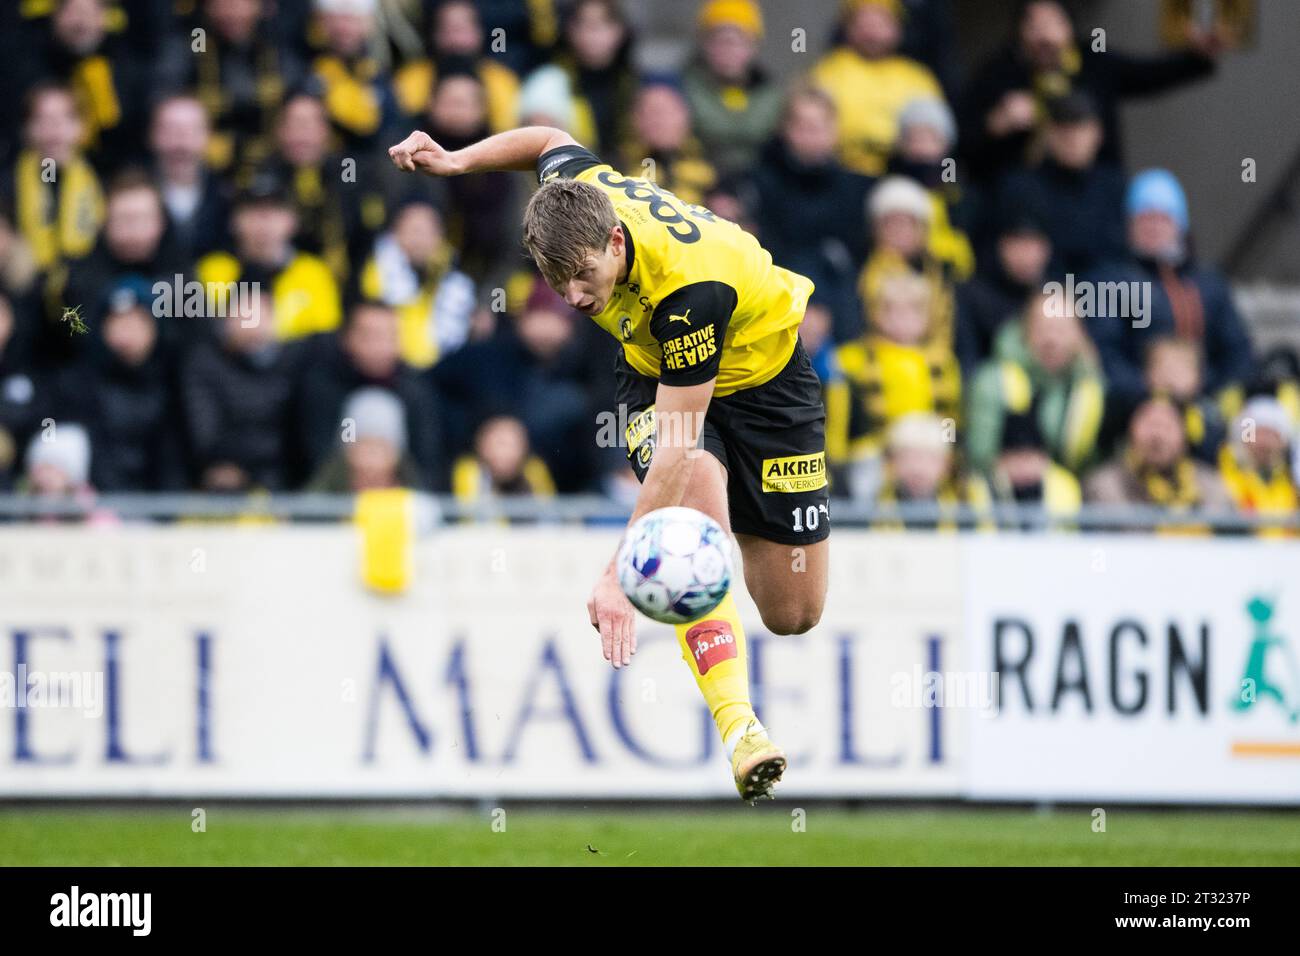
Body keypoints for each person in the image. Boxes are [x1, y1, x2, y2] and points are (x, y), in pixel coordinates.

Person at [389, 122, 828, 801]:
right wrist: (457, 161)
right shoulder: (579, 199)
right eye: (556, 282)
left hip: (769, 380)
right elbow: (545, 139)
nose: (573, 300)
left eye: (585, 277)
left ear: (616, 242)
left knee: (793, 612)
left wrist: (617, 575)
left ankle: (728, 516)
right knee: (688, 513)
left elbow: (679, 441)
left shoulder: (689, 292)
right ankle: (741, 728)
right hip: (661, 380)